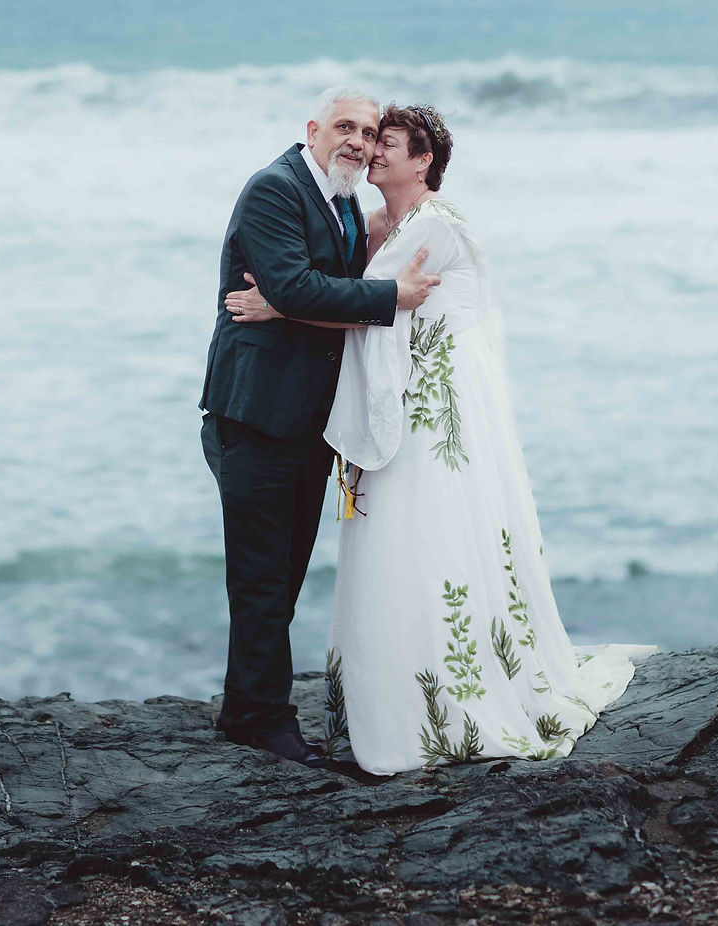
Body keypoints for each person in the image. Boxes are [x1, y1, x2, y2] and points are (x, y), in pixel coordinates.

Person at [227, 103, 655, 774]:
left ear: (423, 160)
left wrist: (280, 303)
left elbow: (381, 314)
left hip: (424, 423)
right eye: (359, 134)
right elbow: (367, 299)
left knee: (414, 550)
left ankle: (424, 701)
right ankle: (286, 707)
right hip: (357, 415)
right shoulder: (366, 222)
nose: (369, 151)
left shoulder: (430, 231)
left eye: (383, 140)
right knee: (323, 565)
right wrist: (302, 298)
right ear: (313, 131)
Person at [201, 88, 439, 768]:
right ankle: (263, 720)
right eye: (345, 127)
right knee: (260, 578)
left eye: (369, 133)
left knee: (283, 575)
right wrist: (391, 297)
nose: (359, 142)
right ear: (312, 129)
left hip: (307, 422)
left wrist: (287, 305)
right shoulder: (273, 190)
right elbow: (299, 286)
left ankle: (246, 707)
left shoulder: (343, 205)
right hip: (255, 416)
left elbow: (300, 297)